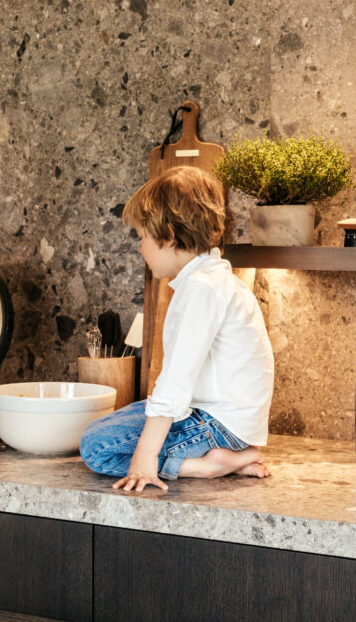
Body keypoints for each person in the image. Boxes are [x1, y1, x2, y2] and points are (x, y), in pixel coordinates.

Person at [79, 166, 274, 492]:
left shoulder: (202, 289)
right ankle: (223, 459)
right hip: (218, 417)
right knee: (100, 427)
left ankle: (205, 467)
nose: (140, 248)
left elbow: (176, 379)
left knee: (96, 448)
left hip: (219, 423)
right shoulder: (208, 281)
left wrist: (145, 454)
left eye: (142, 237)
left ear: (168, 235)